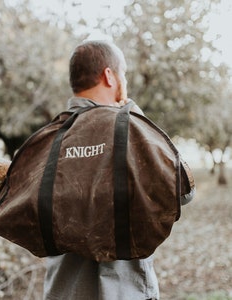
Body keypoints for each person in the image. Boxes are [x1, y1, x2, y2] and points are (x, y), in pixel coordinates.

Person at [43, 40, 194, 300]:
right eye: (123, 73)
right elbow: (182, 191)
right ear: (109, 76)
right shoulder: (129, 133)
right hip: (123, 291)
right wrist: (137, 117)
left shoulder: (47, 140)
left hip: (63, 291)